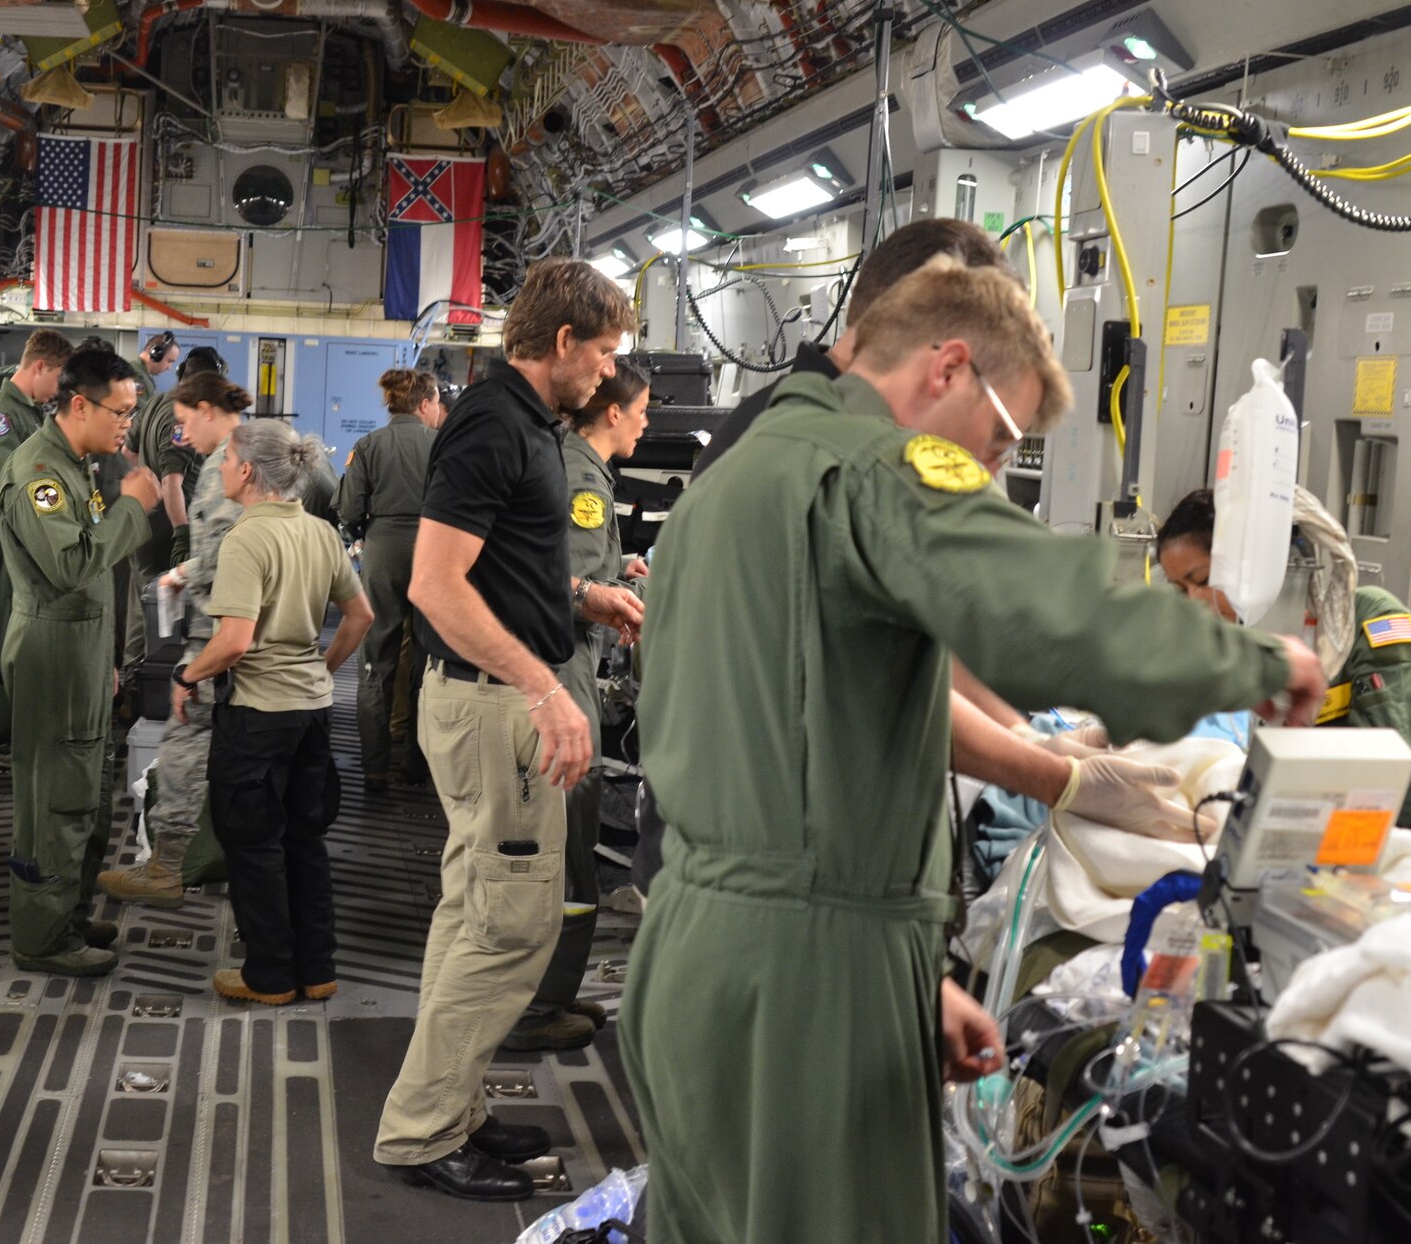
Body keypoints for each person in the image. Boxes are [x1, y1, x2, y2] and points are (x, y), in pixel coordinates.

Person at [626, 256, 1327, 1244]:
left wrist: (914, 977)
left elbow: (793, 736)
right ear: (946, 366)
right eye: (999, 435)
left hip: (697, 957)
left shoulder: (732, 481)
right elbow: (1038, 610)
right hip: (804, 983)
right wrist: (1247, 657)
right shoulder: (874, 468)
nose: (991, 469)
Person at [631, 219, 1193, 891]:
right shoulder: (799, 447)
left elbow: (916, 641)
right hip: (752, 873)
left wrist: (1029, 734)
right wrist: (1059, 777)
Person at [373, 259, 645, 1202]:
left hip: (495, 693)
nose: (610, 374)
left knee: (475, 916)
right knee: (510, 928)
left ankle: (448, 1108)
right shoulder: (496, 425)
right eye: (604, 353)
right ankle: (420, 1130)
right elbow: (434, 584)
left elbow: (494, 566)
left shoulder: (525, 423)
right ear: (562, 341)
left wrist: (579, 593)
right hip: (496, 703)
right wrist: (545, 688)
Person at [175, 421, 373, 1003]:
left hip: (258, 714)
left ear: (247, 472)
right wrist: (321, 669)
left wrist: (186, 674)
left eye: (229, 457)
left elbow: (234, 641)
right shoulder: (319, 533)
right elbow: (359, 616)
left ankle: (269, 976)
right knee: (304, 840)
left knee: (255, 847)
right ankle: (317, 969)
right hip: (312, 711)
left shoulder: (245, 539)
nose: (222, 465)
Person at [1157, 487, 1411, 841]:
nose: (1195, 601)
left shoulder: (1371, 622)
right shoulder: (1229, 652)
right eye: (1181, 589)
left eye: (1202, 581)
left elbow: (1387, 766)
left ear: (1259, 568)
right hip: (1300, 838)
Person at [0, 342, 161, 974]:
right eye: (119, 412)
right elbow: (71, 565)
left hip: (82, 649)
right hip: (53, 653)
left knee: (86, 796)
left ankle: (67, 912)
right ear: (80, 405)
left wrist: (108, 656)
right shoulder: (38, 470)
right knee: (54, 801)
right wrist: (134, 507)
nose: (127, 424)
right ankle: (41, 937)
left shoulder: (76, 464)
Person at [508, 356, 652, 1051]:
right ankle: (542, 1004)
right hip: (561, 668)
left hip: (559, 662)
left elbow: (570, 562)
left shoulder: (573, 463)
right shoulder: (586, 477)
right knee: (572, 831)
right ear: (615, 413)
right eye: (644, 410)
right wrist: (595, 595)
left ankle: (549, 993)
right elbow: (557, 579)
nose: (648, 422)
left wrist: (614, 571)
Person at [96, 370, 254, 909]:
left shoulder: (224, 465)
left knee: (184, 741)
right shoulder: (252, 453)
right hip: (237, 629)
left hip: (218, 632)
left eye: (185, 423)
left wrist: (183, 572)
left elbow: (230, 548)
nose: (181, 435)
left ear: (208, 409)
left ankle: (166, 867)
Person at [336, 369, 444, 791]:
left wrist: (367, 536)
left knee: (375, 661)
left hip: (381, 551)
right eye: (435, 403)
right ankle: (417, 763)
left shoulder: (367, 446)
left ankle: (374, 767)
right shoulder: (442, 446)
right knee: (426, 659)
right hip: (434, 551)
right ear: (423, 404)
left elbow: (348, 510)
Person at [0, 329, 70, 775]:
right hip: (10, 532)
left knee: (23, 628)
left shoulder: (30, 414)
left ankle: (19, 728)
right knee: (1, 629)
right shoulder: (1, 416)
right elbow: (10, 478)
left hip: (30, 533)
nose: (60, 389)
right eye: (59, 377)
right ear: (40, 367)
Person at [159, 346, 229, 568]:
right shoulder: (185, 418)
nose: (186, 434)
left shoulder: (159, 401)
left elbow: (130, 454)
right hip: (177, 528)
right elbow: (171, 480)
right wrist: (181, 536)